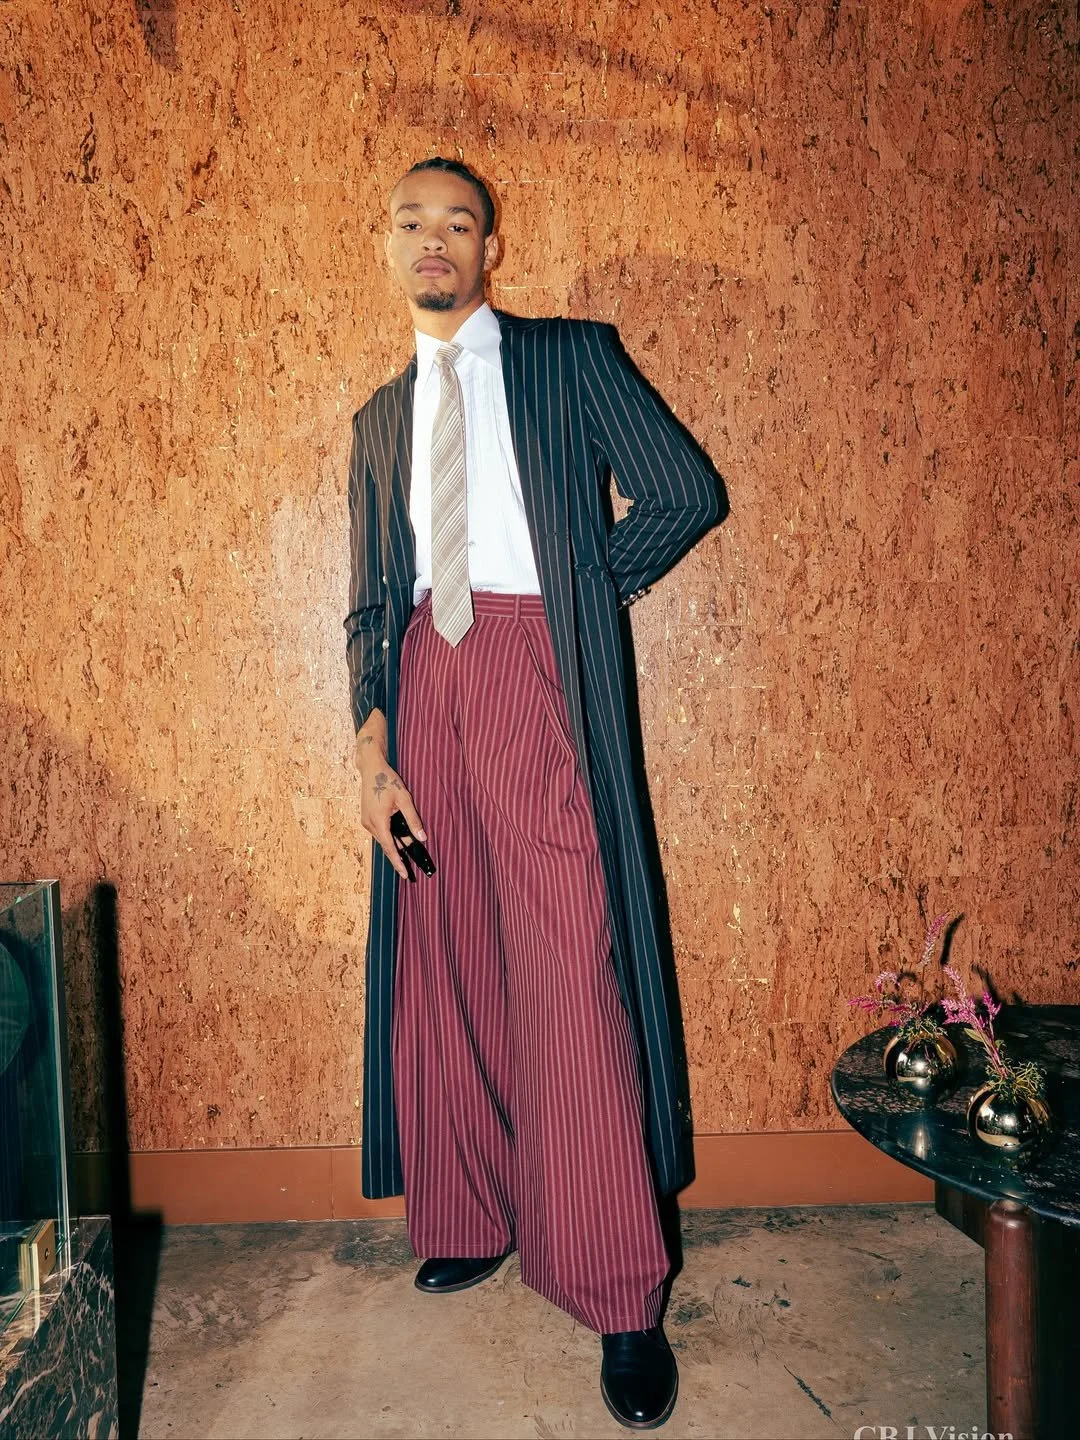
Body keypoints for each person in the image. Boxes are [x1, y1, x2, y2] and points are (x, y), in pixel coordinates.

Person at [345, 156, 726, 1430]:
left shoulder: (570, 358)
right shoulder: (379, 423)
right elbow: (365, 601)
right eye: (411, 223)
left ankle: (621, 1292)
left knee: (569, 959)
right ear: (384, 248)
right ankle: (473, 1214)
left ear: (490, 248)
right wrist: (370, 746)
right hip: (420, 678)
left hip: (527, 660)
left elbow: (684, 492)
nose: (433, 242)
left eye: (457, 222)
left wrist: (580, 599)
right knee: (442, 950)